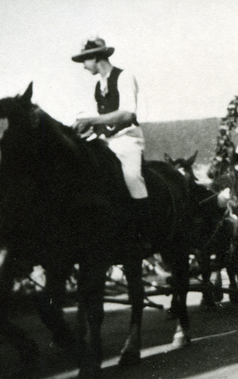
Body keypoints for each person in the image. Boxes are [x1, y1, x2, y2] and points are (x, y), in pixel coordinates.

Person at [71, 36, 151, 249]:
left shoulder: (124, 77)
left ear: (95, 57)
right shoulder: (99, 86)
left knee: (132, 177)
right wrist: (85, 129)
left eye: (84, 62)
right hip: (108, 140)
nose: (84, 67)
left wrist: (92, 120)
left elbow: (126, 114)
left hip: (128, 139)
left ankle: (144, 232)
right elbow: (104, 121)